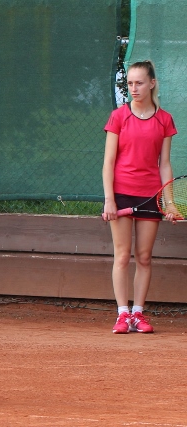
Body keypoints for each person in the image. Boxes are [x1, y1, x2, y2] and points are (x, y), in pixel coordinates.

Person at [102, 60, 179, 334]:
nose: (133, 88)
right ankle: (122, 315)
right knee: (122, 256)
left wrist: (168, 201)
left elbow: (165, 164)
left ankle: (138, 314)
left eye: (139, 83)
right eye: (130, 83)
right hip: (121, 193)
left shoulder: (165, 119)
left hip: (150, 196)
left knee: (144, 258)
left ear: (152, 84)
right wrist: (109, 199)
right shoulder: (118, 117)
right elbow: (108, 161)